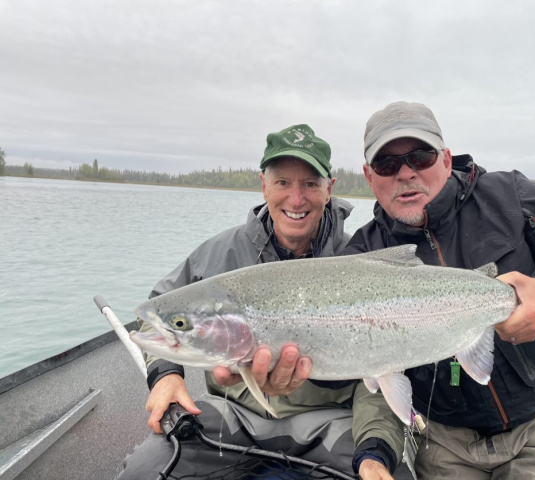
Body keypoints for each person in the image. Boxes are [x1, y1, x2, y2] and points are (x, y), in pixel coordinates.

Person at [344, 101, 535, 479]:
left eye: (421, 157)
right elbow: (363, 366)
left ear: (447, 161)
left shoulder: (508, 197)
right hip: (446, 441)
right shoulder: (364, 256)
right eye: (388, 165)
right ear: (370, 178)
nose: (405, 173)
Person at [119, 124, 410, 479]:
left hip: (330, 423)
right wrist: (166, 375)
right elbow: (157, 315)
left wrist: (374, 451)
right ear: (264, 185)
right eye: (283, 182)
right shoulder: (218, 255)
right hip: (235, 415)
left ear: (329, 190)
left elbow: (383, 363)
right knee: (146, 471)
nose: (296, 198)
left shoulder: (358, 258)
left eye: (310, 184)